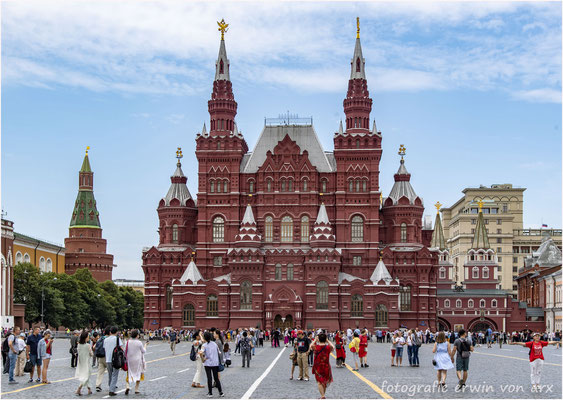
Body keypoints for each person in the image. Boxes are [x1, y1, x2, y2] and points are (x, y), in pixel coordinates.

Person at [199, 331, 224, 397]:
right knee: (216, 378)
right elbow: (219, 352)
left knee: (209, 378)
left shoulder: (204, 345)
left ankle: (210, 393)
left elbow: (201, 353)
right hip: (215, 363)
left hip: (207, 363)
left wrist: (203, 359)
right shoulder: (214, 344)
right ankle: (221, 392)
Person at [311, 333, 334, 399]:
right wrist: (328, 341)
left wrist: (315, 340)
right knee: (324, 381)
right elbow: (333, 347)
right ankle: (323, 395)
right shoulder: (327, 347)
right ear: (325, 339)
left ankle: (323, 396)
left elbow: (310, 346)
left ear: (319, 339)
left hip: (318, 366)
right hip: (326, 366)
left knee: (319, 381)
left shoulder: (316, 347)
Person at [125, 329, 147, 395]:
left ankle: (127, 386)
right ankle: (136, 389)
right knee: (138, 373)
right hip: (138, 360)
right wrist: (145, 345)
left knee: (129, 373)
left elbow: (125, 351)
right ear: (137, 335)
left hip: (129, 360)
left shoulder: (128, 342)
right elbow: (143, 351)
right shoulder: (139, 342)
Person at [103, 326, 122, 396]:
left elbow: (105, 348)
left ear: (110, 332)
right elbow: (121, 348)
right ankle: (111, 390)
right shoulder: (117, 339)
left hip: (107, 359)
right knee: (115, 375)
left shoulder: (106, 340)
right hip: (115, 359)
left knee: (110, 374)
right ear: (116, 332)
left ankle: (110, 386)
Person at [75, 331, 93, 395]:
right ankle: (79, 389)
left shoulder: (79, 345)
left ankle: (89, 389)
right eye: (88, 337)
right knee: (86, 376)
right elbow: (91, 354)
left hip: (81, 363)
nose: (89, 338)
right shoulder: (88, 345)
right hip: (87, 362)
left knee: (85, 376)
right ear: (85, 338)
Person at [95, 327, 110, 392]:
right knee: (111, 372)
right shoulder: (109, 339)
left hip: (100, 357)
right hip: (107, 357)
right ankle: (111, 384)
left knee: (100, 372)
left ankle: (98, 385)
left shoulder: (100, 338)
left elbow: (94, 347)